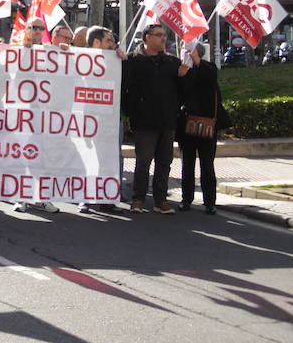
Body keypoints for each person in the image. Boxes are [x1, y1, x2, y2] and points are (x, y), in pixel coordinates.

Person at [122, 23, 197, 214]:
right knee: (143, 162)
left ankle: (160, 199)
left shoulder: (171, 62)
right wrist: (132, 112)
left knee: (164, 162)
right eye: (159, 35)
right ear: (147, 37)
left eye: (165, 35)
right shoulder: (133, 61)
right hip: (145, 122)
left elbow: (184, 91)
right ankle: (138, 198)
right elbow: (124, 89)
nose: (163, 38)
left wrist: (184, 77)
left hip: (168, 121)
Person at [13, 16, 60, 214]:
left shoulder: (51, 52)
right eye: (34, 27)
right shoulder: (15, 51)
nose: (38, 31)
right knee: (23, 156)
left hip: (46, 115)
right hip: (23, 114)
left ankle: (43, 197)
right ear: (26, 29)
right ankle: (20, 197)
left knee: (44, 157)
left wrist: (66, 52)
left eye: (41, 28)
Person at [78, 26, 127, 214]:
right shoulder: (78, 60)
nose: (113, 44)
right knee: (87, 159)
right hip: (87, 119)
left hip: (111, 120)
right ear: (97, 42)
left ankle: (107, 199)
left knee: (109, 160)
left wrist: (125, 63)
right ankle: (85, 198)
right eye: (109, 40)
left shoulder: (116, 61)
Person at [178, 42, 227, 215]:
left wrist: (196, 63)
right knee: (187, 164)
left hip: (207, 125)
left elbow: (209, 78)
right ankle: (186, 199)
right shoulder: (182, 70)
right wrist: (182, 75)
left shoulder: (208, 68)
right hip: (187, 125)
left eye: (188, 52)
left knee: (207, 164)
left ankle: (209, 202)